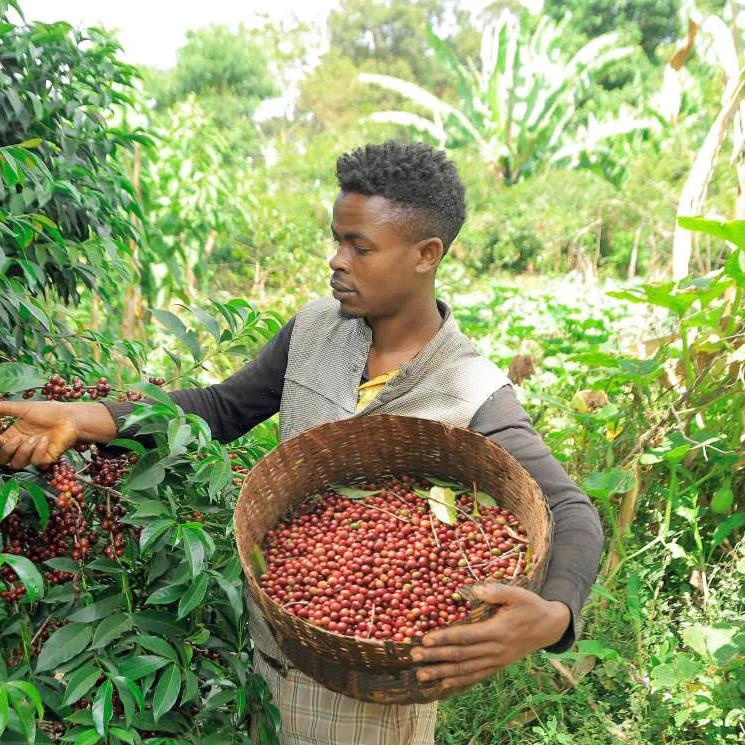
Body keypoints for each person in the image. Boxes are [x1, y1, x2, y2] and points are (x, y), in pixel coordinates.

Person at [0, 141, 603, 745]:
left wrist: (554, 617)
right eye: (337, 240)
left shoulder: (470, 388)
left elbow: (571, 510)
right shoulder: (316, 329)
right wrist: (81, 417)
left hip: (375, 697)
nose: (337, 261)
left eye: (359, 247)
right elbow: (220, 408)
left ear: (426, 254)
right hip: (275, 651)